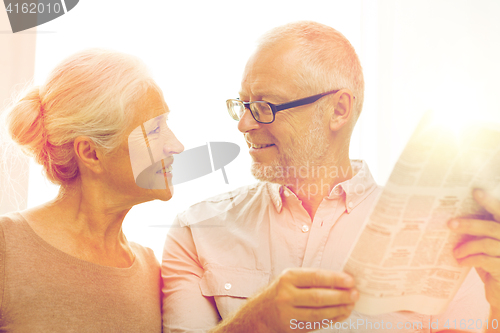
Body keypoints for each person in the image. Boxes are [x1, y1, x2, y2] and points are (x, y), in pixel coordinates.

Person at [161, 21, 500, 332]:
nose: (244, 124)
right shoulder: (196, 230)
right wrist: (258, 319)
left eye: (265, 106)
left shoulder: (442, 235)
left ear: (338, 110)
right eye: (244, 104)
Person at [0, 49, 184, 332]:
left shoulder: (152, 271)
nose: (176, 146)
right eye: (155, 131)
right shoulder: (6, 247)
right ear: (91, 153)